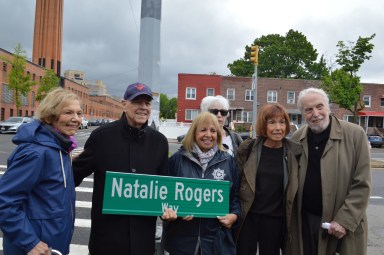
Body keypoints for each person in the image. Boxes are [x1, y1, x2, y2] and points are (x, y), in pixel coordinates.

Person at [72, 82, 175, 255]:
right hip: (106, 242)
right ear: (124, 104)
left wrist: (170, 209)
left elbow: (164, 189)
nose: (143, 107)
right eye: (137, 102)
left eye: (147, 103)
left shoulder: (159, 142)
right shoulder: (101, 137)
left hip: (143, 242)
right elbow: (72, 176)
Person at [289, 87, 371, 255]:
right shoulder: (297, 139)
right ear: (303, 114)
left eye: (320, 106)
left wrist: (344, 221)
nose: (315, 113)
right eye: (308, 109)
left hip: (342, 226)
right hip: (306, 222)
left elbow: (362, 184)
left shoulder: (355, 135)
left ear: (328, 107)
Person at [0, 87, 81, 255]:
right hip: (33, 248)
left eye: (79, 113)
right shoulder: (36, 153)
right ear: (51, 116)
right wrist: (30, 242)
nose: (76, 119)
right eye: (68, 113)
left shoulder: (59, 148)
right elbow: (4, 200)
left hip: (52, 245)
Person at [162, 111, 241, 255]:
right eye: (203, 130)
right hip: (182, 242)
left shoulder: (228, 161)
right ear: (194, 133)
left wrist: (234, 216)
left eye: (213, 130)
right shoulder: (177, 160)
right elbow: (164, 197)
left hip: (216, 242)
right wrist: (172, 212)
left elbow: (235, 198)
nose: (208, 135)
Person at [235, 103, 302, 255]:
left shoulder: (295, 152)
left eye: (282, 122)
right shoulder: (248, 149)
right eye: (272, 122)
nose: (278, 127)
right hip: (248, 218)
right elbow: (236, 183)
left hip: (275, 220)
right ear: (263, 125)